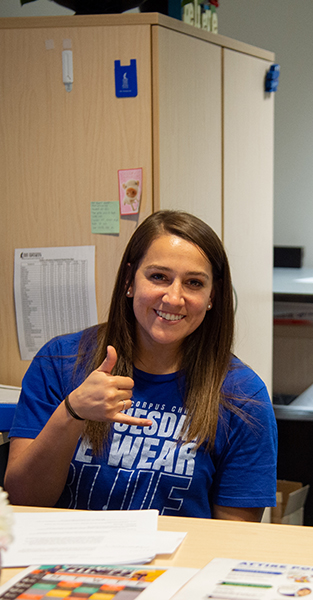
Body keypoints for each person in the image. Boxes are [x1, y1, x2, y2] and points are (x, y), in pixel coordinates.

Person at [6, 210, 277, 521]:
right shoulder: (60, 361)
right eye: (158, 277)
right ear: (129, 281)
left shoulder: (242, 394)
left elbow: (235, 534)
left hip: (181, 565)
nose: (174, 298)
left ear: (212, 296)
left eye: (193, 283)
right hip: (67, 563)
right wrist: (72, 412)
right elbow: (23, 500)